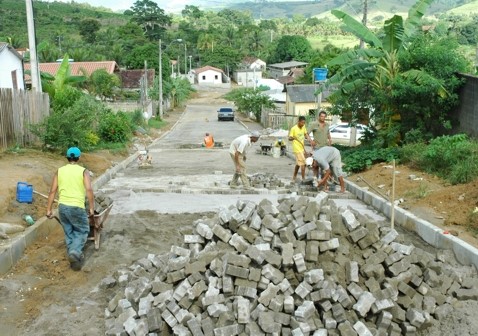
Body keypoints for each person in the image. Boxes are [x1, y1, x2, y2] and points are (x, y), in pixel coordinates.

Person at [46, 147, 95, 271]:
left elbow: (52, 191)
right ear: (78, 158)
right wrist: (91, 208)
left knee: (69, 231)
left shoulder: (59, 171)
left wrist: (49, 209)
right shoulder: (83, 171)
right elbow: (89, 189)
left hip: (62, 207)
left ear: (67, 158)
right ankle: (75, 252)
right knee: (83, 230)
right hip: (77, 206)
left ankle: (74, 260)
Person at [288, 116, 313, 182]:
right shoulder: (293, 128)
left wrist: (309, 139)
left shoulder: (303, 127)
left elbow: (306, 134)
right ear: (298, 121)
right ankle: (303, 179)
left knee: (298, 164)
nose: (303, 124)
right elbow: (289, 138)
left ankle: (294, 177)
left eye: (304, 123)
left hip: (302, 148)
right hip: (296, 149)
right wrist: (293, 138)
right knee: (303, 163)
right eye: (302, 122)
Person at [309, 110, 332, 178]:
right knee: (315, 165)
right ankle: (315, 179)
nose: (323, 118)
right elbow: (306, 133)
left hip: (325, 148)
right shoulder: (313, 124)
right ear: (319, 117)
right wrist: (311, 141)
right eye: (321, 116)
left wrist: (330, 140)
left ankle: (322, 181)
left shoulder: (327, 125)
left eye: (324, 116)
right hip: (317, 147)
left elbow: (328, 133)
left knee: (324, 165)